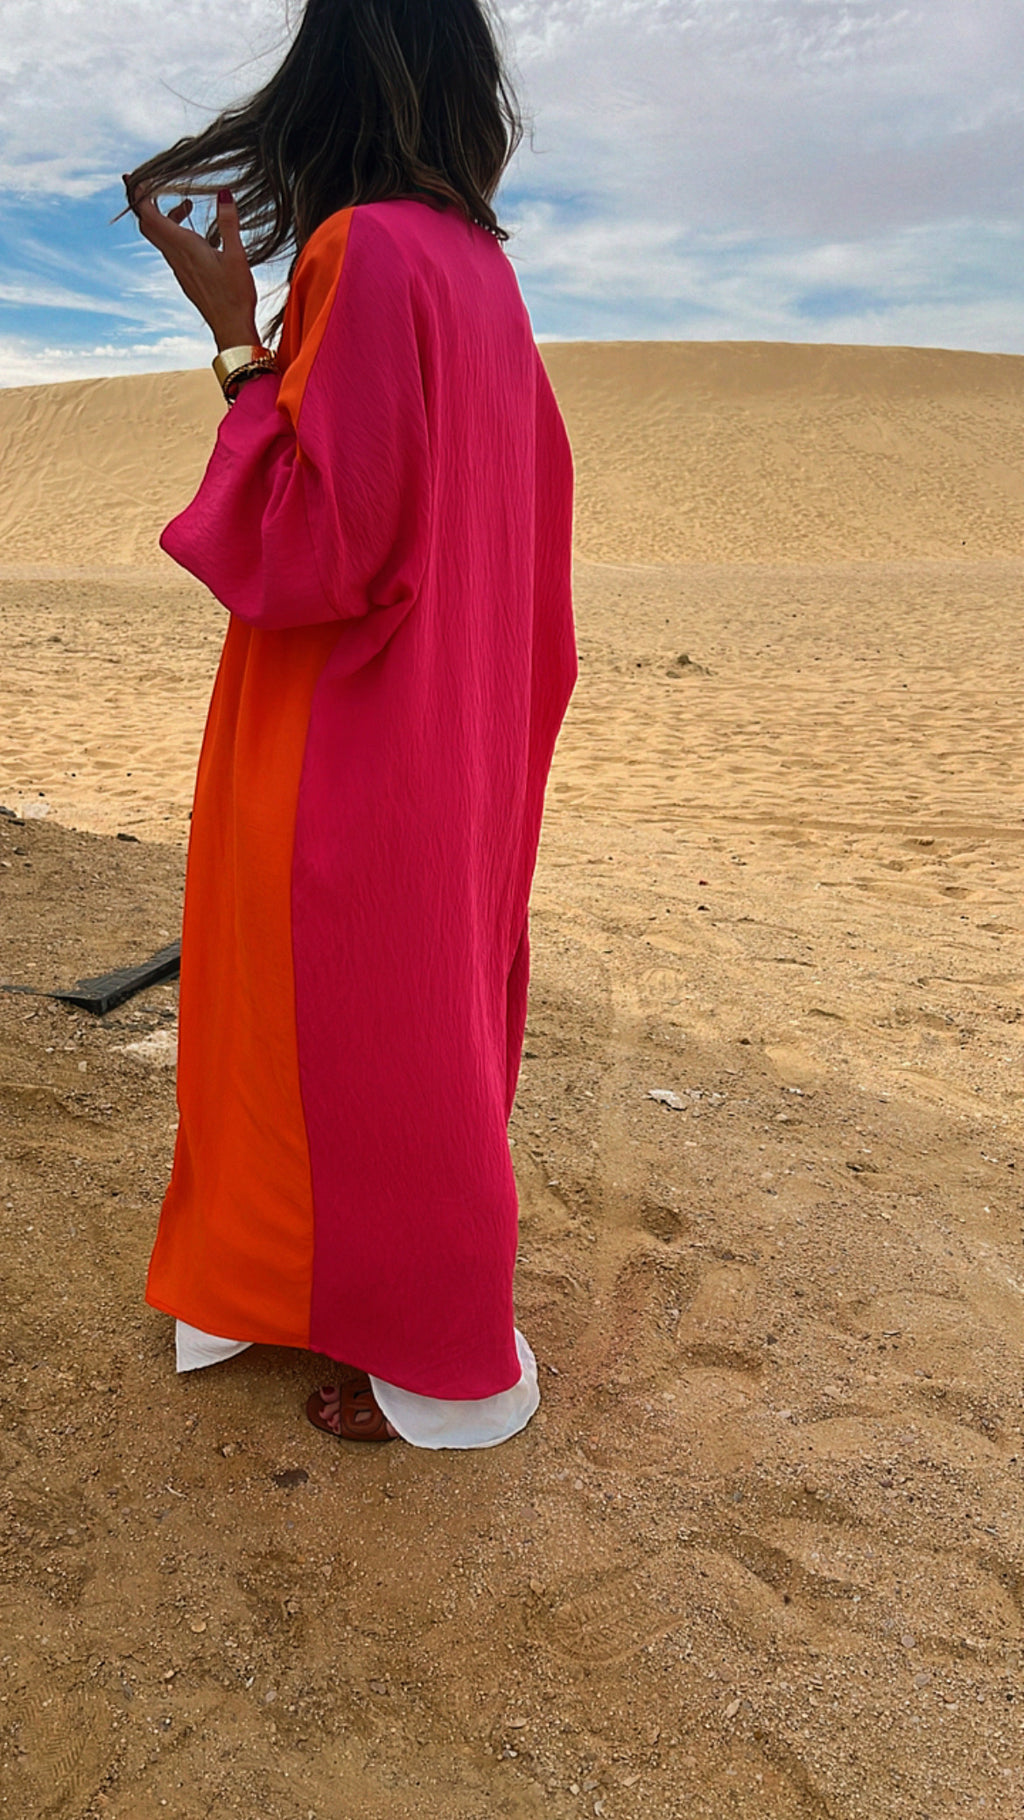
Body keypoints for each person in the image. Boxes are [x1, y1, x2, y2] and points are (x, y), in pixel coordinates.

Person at [122, 0, 577, 1448]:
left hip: (346, 728)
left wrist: (237, 344)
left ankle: (443, 1354)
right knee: (398, 1013)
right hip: (451, 721)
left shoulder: (364, 250)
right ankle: (291, 1280)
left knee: (350, 1024)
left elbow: (319, 541)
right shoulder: (480, 273)